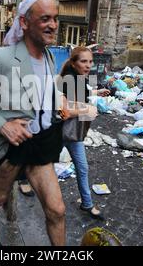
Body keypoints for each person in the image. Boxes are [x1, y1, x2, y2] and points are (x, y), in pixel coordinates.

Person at [0, 0, 67, 246]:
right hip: (11, 149)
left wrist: (61, 103)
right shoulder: (3, 58)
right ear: (25, 23)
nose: (53, 25)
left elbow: (40, 93)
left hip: (40, 144)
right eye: (45, 19)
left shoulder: (49, 57)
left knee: (57, 210)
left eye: (55, 18)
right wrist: (2, 125)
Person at [59, 47, 110, 220]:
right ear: (73, 63)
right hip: (58, 133)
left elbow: (83, 94)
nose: (88, 65)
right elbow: (63, 111)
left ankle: (86, 203)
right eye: (83, 61)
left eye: (90, 61)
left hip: (74, 134)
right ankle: (24, 180)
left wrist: (96, 93)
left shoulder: (79, 79)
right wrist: (88, 110)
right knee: (43, 165)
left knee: (82, 167)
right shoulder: (67, 81)